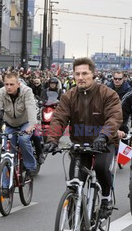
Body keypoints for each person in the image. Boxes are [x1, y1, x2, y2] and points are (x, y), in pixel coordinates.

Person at [43, 57, 123, 219]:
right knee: (74, 183)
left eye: (85, 73)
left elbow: (114, 117)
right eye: (77, 74)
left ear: (93, 75)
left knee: (101, 167)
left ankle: (106, 198)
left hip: (104, 143)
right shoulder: (68, 96)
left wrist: (104, 136)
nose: (81, 77)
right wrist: (52, 140)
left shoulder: (108, 94)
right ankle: (73, 225)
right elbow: (59, 118)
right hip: (80, 145)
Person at [0, 72, 38, 195]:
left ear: (18, 84)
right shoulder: (0, 93)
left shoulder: (27, 91)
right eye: (6, 84)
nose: (8, 87)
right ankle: (5, 187)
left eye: (11, 84)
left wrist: (32, 125)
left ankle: (31, 167)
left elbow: (31, 107)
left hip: (25, 123)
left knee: (23, 140)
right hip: (10, 124)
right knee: (6, 154)